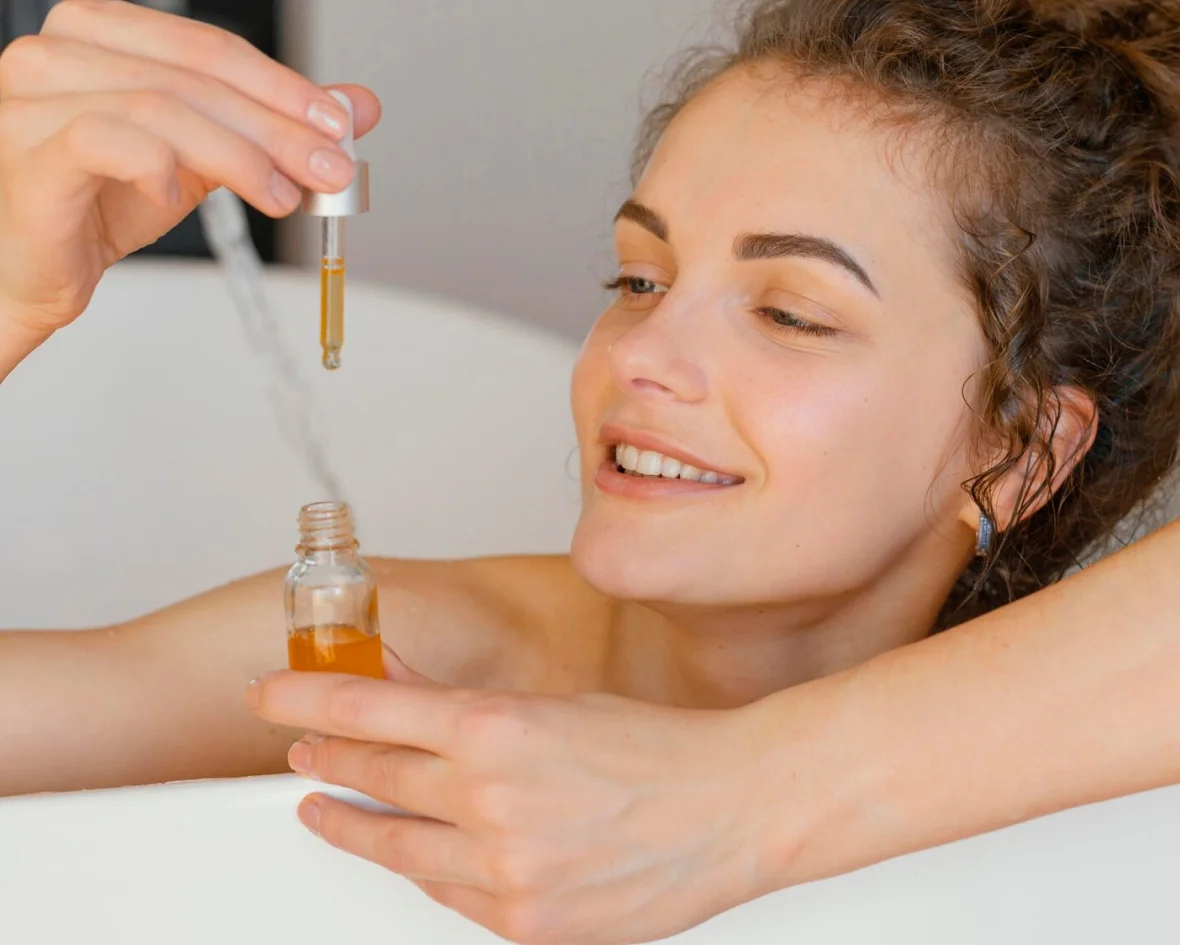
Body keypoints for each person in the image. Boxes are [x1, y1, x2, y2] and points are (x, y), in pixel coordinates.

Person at [1, 1, 1178, 943]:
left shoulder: (1104, 771)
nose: (639, 355)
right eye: (638, 280)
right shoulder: (403, 653)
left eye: (790, 313)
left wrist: (735, 802)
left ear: (1014, 450)